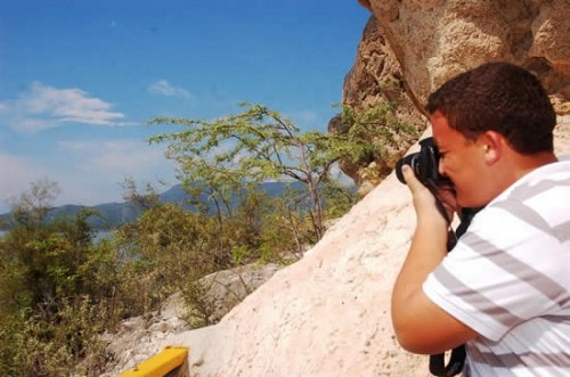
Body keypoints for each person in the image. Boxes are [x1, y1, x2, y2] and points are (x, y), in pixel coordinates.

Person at [391, 61, 570, 376]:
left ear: (489, 147)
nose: (442, 170)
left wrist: (433, 217)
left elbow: (413, 327)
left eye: (444, 153)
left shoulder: (521, 222)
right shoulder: (557, 191)